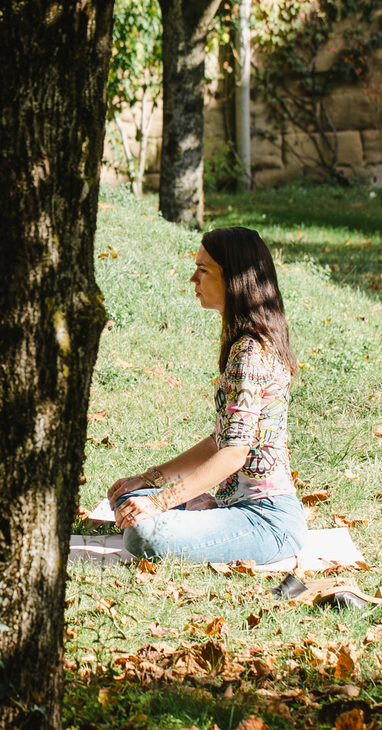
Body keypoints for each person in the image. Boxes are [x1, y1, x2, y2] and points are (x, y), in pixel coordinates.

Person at [107, 226, 307, 566]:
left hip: (268, 521)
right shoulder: (248, 343)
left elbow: (233, 454)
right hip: (234, 507)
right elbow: (221, 440)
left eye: (203, 270)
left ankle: (192, 512)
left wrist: (159, 503)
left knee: (144, 534)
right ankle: (195, 508)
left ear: (233, 279)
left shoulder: (251, 351)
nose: (192, 279)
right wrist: (148, 480)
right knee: (131, 497)